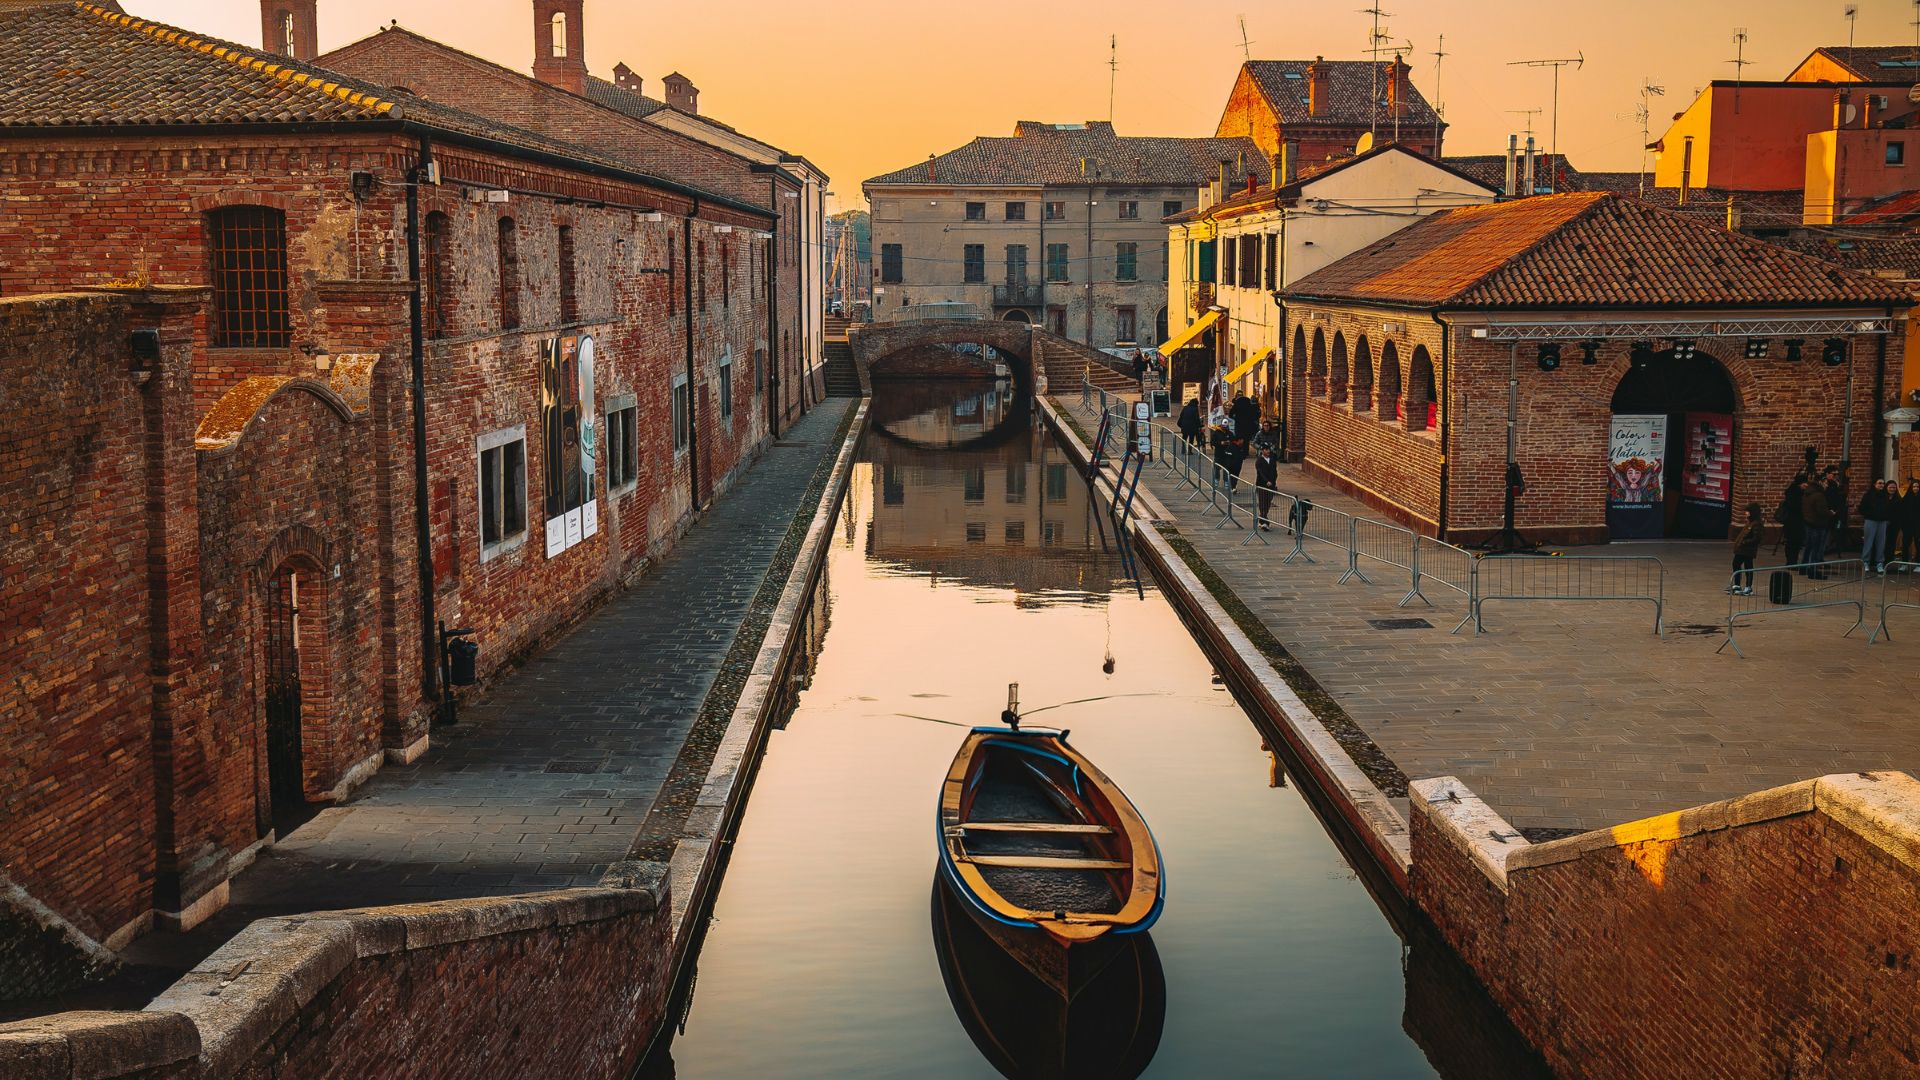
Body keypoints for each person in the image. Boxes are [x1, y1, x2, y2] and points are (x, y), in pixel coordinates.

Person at [1728, 502, 1764, 595]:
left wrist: (1744, 542)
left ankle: (1748, 587)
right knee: (1736, 564)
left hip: (1747, 550)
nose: (1746, 513)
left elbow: (1757, 538)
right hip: (1742, 549)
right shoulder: (1750, 522)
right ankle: (1737, 585)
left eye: (1748, 511)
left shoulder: (1756, 524)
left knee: (1747, 567)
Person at [1860, 478, 1893, 573]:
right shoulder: (1868, 495)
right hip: (1871, 520)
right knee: (1868, 542)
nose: (1881, 485)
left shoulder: (1885, 496)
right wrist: (1869, 514)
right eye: (1879, 483)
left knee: (1881, 543)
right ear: (1874, 484)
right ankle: (1865, 562)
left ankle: (1880, 563)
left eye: (1883, 483)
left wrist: (1886, 517)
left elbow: (1888, 508)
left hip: (1882, 522)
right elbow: (1862, 508)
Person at [1802, 477, 1832, 576]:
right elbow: (1821, 511)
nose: (1827, 485)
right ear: (1820, 483)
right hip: (1818, 524)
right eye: (1826, 483)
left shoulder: (1808, 493)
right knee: (1816, 548)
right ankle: (1813, 569)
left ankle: (1804, 567)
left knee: (1809, 546)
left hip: (1809, 522)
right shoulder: (1819, 495)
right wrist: (1830, 513)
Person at [1777, 474, 1807, 566]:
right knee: (1794, 543)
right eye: (1804, 483)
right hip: (1795, 522)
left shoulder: (1792, 492)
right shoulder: (1797, 494)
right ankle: (1792, 561)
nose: (1806, 485)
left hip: (1791, 522)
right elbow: (1796, 507)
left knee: (1791, 543)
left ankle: (1791, 561)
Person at [1254, 443, 1279, 529]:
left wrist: (1273, 481)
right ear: (1262, 450)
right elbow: (1260, 473)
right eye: (1266, 449)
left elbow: (1274, 472)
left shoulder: (1272, 460)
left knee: (1268, 503)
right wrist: (1266, 481)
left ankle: (1262, 518)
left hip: (1271, 485)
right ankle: (1264, 521)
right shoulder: (1259, 461)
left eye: (1268, 449)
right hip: (1262, 485)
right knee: (1262, 503)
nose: (1268, 451)